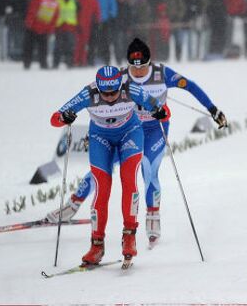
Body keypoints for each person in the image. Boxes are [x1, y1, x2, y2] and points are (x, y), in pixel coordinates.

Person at [46, 38, 228, 248]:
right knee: (100, 170)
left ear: (150, 63)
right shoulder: (120, 78)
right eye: (134, 68)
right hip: (127, 129)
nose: (139, 73)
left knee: (149, 169)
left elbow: (191, 87)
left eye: (143, 68)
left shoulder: (161, 73)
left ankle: (152, 217)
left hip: (154, 130)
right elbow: (99, 104)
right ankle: (73, 204)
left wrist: (212, 109)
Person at [49, 65, 163, 265]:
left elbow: (162, 109)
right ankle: (97, 245)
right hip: (100, 137)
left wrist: (159, 110)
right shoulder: (88, 93)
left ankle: (129, 236)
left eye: (113, 92)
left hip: (131, 133)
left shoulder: (131, 89)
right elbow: (55, 119)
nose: (109, 97)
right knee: (101, 189)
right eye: (105, 93)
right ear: (98, 88)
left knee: (129, 182)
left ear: (120, 85)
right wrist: (63, 117)